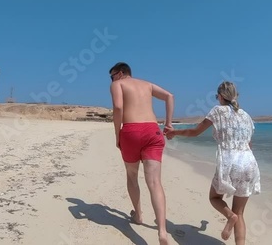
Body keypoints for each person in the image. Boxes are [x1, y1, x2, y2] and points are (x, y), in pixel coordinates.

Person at [165, 81, 261, 245]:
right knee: (241, 212)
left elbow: (195, 132)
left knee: (214, 198)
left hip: (230, 163)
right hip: (249, 163)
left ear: (221, 96)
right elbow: (249, 144)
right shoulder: (246, 115)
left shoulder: (217, 111)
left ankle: (230, 216)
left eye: (217, 96)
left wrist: (174, 132)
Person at [109, 62, 174, 245]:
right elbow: (170, 96)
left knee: (132, 175)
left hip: (131, 131)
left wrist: (117, 135)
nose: (111, 79)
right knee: (154, 183)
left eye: (112, 75)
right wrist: (168, 125)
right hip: (153, 131)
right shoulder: (147, 84)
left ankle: (138, 215)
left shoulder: (118, 84)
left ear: (121, 73)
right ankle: (162, 231)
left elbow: (118, 107)